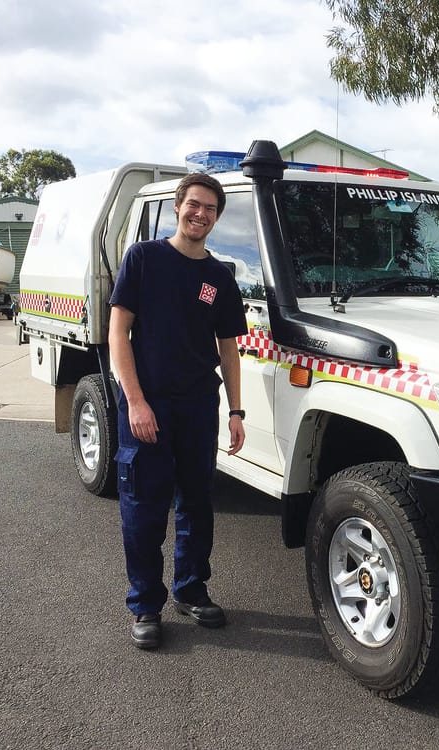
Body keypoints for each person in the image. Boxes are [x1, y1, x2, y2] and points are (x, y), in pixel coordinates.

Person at [108, 172, 248, 650]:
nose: (200, 214)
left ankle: (190, 590)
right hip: (148, 404)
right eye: (194, 205)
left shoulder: (219, 277)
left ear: (217, 217)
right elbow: (117, 334)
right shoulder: (144, 258)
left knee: (197, 504)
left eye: (210, 209)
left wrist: (236, 411)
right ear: (177, 206)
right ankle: (145, 604)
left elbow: (228, 349)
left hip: (197, 406)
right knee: (144, 509)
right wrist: (136, 402)